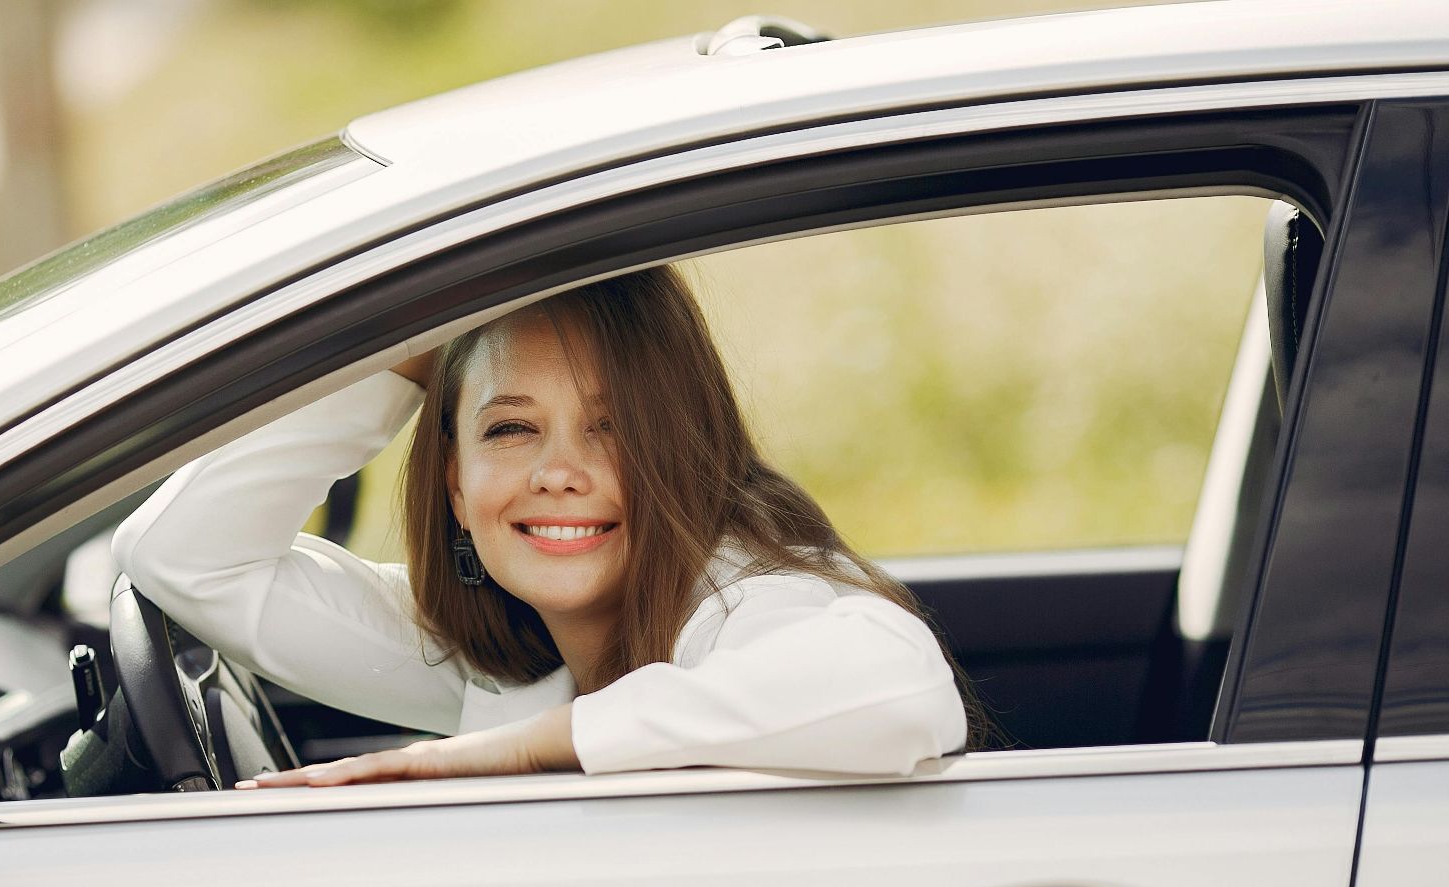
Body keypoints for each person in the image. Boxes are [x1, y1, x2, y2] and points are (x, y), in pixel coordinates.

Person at [112, 264, 973, 789]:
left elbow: (894, 687)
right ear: (456, 484)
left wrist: (501, 759)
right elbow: (182, 557)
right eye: (511, 428)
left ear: (682, 448)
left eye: (614, 427)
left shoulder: (744, 591)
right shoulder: (498, 657)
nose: (560, 471)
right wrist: (410, 354)